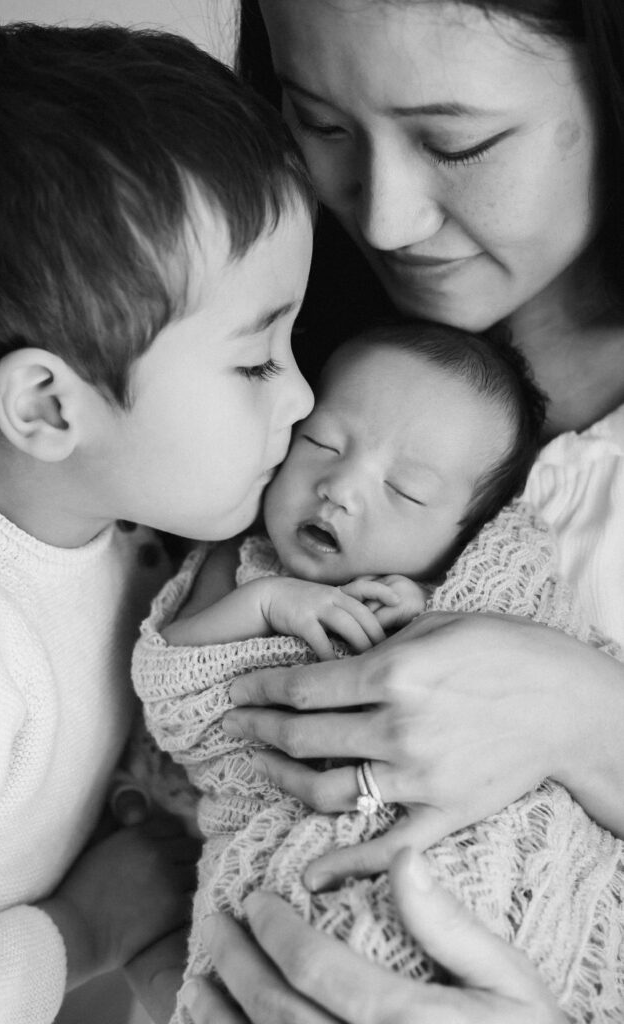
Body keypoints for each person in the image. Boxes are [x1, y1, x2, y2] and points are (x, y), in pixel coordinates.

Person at [133, 1, 624, 1022]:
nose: (383, 216)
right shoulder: (236, 352)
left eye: (457, 142)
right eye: (319, 123)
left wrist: (588, 722)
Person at [0, 22, 318, 1023]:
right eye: (255, 361)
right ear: (49, 409)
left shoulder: (118, 526)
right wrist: (80, 931)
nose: (300, 399)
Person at [130, 322, 624, 1023]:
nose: (339, 487)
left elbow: (558, 650)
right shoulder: (244, 566)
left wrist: (430, 609)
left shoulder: (495, 576)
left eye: (407, 491)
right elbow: (173, 684)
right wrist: (263, 605)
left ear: (469, 531)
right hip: (289, 888)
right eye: (322, 444)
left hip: (506, 912)